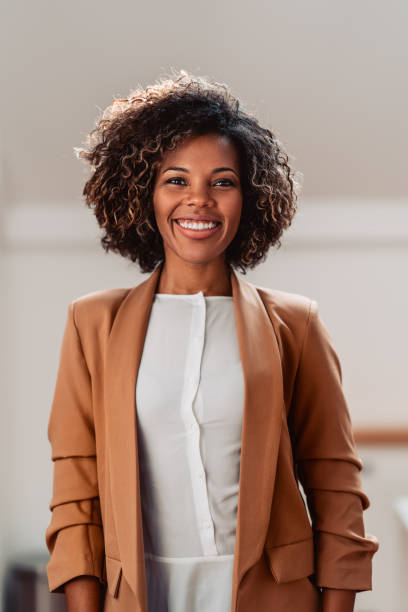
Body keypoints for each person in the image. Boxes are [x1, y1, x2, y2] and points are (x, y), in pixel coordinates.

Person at [45, 70, 379, 612]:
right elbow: (75, 492)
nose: (198, 201)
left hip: (272, 595)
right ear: (144, 195)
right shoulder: (93, 324)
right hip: (141, 594)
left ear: (249, 197)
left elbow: (336, 485)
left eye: (221, 182)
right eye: (176, 180)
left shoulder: (295, 326)